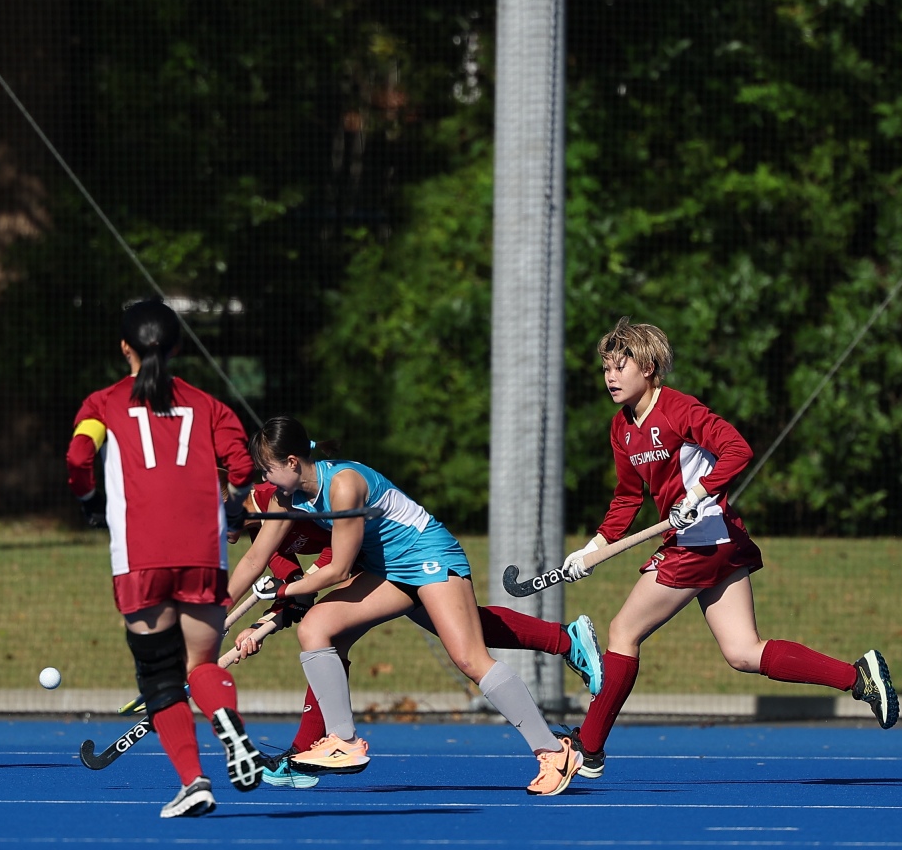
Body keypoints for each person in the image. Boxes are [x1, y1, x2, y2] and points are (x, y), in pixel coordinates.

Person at [560, 318, 897, 777]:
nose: (611, 377)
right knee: (743, 651)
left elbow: (737, 449)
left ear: (649, 368)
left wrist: (697, 495)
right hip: (713, 542)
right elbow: (627, 497)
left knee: (623, 631)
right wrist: (593, 548)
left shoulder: (679, 409)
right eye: (606, 369)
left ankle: (590, 746)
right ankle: (859, 677)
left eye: (621, 367)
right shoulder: (622, 429)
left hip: (701, 540)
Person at [247, 417, 582, 795]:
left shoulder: (342, 484)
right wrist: (218, 613)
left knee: (470, 658)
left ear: (292, 462)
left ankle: (554, 752)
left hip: (428, 555)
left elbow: (338, 569)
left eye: (267, 469)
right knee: (316, 628)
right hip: (388, 570)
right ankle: (343, 741)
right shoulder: (288, 496)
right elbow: (252, 560)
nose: (264, 479)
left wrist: (284, 590)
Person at [66, 298, 264, 818]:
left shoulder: (102, 404)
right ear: (176, 347)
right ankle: (230, 726)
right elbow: (241, 465)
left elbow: (78, 457)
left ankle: (194, 781)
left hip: (141, 560)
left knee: (159, 677)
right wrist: (235, 508)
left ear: (124, 347)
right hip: (203, 554)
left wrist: (89, 502)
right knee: (201, 664)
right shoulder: (209, 406)